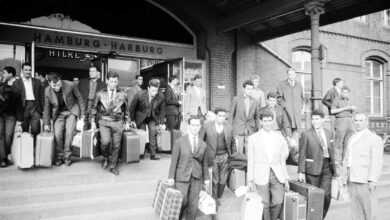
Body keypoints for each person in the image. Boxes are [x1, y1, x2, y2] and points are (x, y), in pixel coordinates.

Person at [247, 110, 289, 220]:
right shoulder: (253, 138)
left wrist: (286, 178)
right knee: (264, 203)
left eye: (269, 120)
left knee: (278, 201)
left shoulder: (279, 137)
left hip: (276, 174)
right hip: (260, 175)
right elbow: (250, 160)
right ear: (260, 122)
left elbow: (282, 160)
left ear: (272, 121)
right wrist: (250, 180)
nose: (267, 123)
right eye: (265, 121)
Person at [168, 115, 210, 220]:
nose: (195, 127)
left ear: (200, 127)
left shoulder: (203, 145)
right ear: (189, 126)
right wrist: (171, 177)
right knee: (183, 201)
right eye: (193, 125)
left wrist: (207, 179)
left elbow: (204, 164)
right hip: (181, 177)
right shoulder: (179, 142)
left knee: (193, 205)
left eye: (197, 125)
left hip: (196, 177)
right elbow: (174, 161)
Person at [343, 111, 383, 220]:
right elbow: (348, 159)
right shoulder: (352, 138)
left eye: (361, 120)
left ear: (367, 122)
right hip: (352, 179)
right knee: (356, 213)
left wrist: (373, 180)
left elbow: (377, 161)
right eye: (356, 120)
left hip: (365, 181)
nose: (358, 123)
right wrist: (344, 176)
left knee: (370, 212)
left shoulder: (374, 139)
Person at [298, 109, 335, 218]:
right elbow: (302, 154)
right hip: (312, 169)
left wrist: (336, 169)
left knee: (327, 195)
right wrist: (301, 172)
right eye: (313, 119)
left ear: (323, 120)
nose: (314, 121)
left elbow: (332, 151)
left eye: (317, 119)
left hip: (327, 167)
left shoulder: (329, 133)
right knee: (314, 197)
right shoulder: (306, 134)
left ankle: (320, 217)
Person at [91, 71, 130, 175]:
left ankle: (113, 165)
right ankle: (105, 157)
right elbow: (94, 108)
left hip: (118, 121)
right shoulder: (99, 93)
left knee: (116, 145)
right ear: (107, 81)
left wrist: (127, 121)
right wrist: (92, 122)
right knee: (105, 142)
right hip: (104, 120)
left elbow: (127, 109)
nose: (114, 84)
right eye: (111, 81)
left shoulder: (123, 93)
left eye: (116, 82)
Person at [43, 72, 85, 166]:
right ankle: (59, 155)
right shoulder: (47, 91)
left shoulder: (70, 84)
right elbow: (47, 107)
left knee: (69, 133)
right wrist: (46, 123)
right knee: (57, 134)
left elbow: (79, 98)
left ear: (61, 81)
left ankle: (67, 156)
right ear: (49, 83)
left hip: (71, 111)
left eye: (58, 84)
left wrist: (82, 115)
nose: (57, 87)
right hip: (58, 114)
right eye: (54, 85)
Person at [199, 107, 236, 207]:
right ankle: (215, 199)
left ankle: (219, 196)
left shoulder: (228, 127)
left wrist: (234, 154)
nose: (222, 118)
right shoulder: (207, 126)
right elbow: (201, 141)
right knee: (215, 180)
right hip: (213, 157)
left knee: (223, 180)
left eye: (224, 116)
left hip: (225, 156)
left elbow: (232, 142)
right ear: (215, 116)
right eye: (220, 116)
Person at [129, 78, 166, 160]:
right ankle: (140, 153)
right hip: (141, 116)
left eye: (156, 91)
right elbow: (132, 107)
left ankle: (153, 154)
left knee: (153, 133)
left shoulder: (161, 96)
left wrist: (162, 123)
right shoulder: (139, 94)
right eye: (152, 90)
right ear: (148, 88)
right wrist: (131, 120)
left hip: (152, 116)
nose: (154, 93)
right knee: (142, 134)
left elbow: (162, 110)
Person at [12, 63, 44, 144]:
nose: (28, 72)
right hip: (23, 107)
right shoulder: (16, 82)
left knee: (36, 129)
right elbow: (14, 99)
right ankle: (27, 149)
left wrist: (43, 110)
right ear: (22, 70)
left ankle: (35, 149)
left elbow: (41, 96)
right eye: (26, 70)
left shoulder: (37, 81)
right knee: (24, 130)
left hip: (35, 107)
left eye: (30, 70)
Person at [228, 80, 259, 155]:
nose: (250, 91)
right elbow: (231, 115)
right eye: (248, 89)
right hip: (238, 130)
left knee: (250, 153)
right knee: (238, 152)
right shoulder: (236, 99)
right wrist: (229, 130)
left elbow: (257, 117)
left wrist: (258, 130)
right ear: (243, 88)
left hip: (250, 130)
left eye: (251, 89)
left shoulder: (255, 101)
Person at [276, 68, 303, 144]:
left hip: (297, 114)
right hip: (287, 113)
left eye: (293, 74)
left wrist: (300, 106)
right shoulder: (282, 84)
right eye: (289, 74)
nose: (291, 76)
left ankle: (296, 153)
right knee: (288, 134)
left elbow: (302, 97)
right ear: (287, 75)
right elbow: (279, 97)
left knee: (297, 135)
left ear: (295, 75)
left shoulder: (299, 84)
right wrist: (285, 106)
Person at [0, 82, 23, 167]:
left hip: (10, 115)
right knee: (0, 135)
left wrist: (20, 121)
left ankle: (5, 156)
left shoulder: (15, 94)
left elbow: (19, 107)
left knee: (9, 135)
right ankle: (1, 159)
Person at [330, 86, 355, 164]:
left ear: (348, 93)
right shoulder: (336, 99)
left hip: (349, 121)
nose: (344, 93)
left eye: (346, 92)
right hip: (341, 121)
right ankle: (337, 160)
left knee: (347, 142)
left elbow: (351, 112)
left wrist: (353, 109)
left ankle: (344, 159)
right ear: (341, 92)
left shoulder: (349, 100)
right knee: (338, 142)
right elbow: (332, 111)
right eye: (343, 92)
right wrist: (345, 108)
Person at [77, 66, 105, 130]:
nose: (91, 73)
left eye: (93, 71)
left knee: (95, 127)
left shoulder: (103, 85)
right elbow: (77, 95)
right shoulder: (82, 82)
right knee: (83, 127)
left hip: (96, 107)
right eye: (90, 71)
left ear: (98, 73)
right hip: (84, 106)